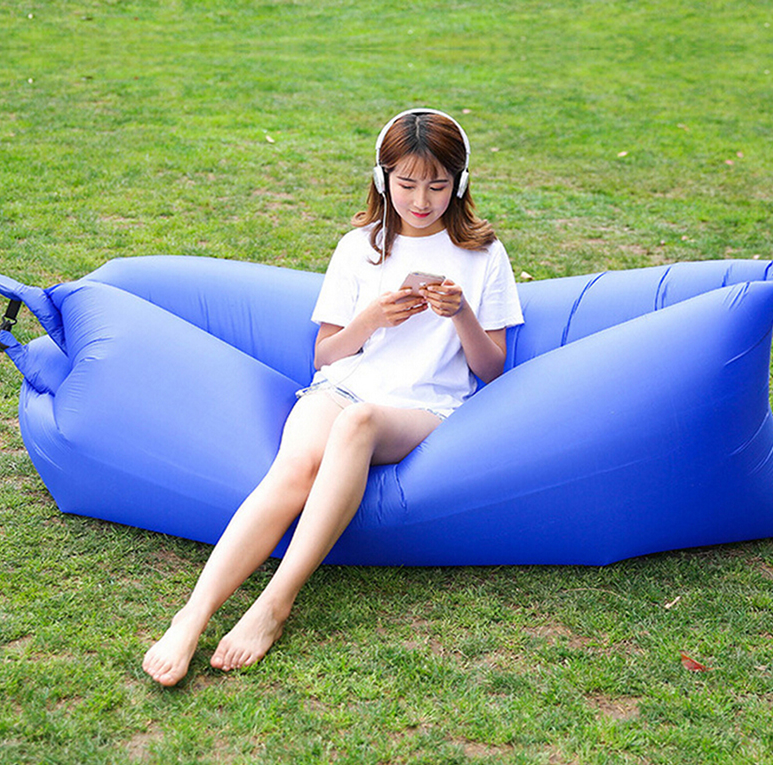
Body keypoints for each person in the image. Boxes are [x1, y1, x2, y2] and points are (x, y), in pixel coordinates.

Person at [142, 108, 524, 686]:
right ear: (382, 179)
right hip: (343, 385)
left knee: (358, 423)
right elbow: (325, 355)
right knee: (294, 468)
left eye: (438, 185)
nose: (421, 200)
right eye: (407, 184)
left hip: (424, 406)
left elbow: (491, 369)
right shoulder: (358, 247)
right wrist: (372, 319)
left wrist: (461, 313)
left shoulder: (484, 255)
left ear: (461, 182)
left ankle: (274, 602)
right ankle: (191, 616)